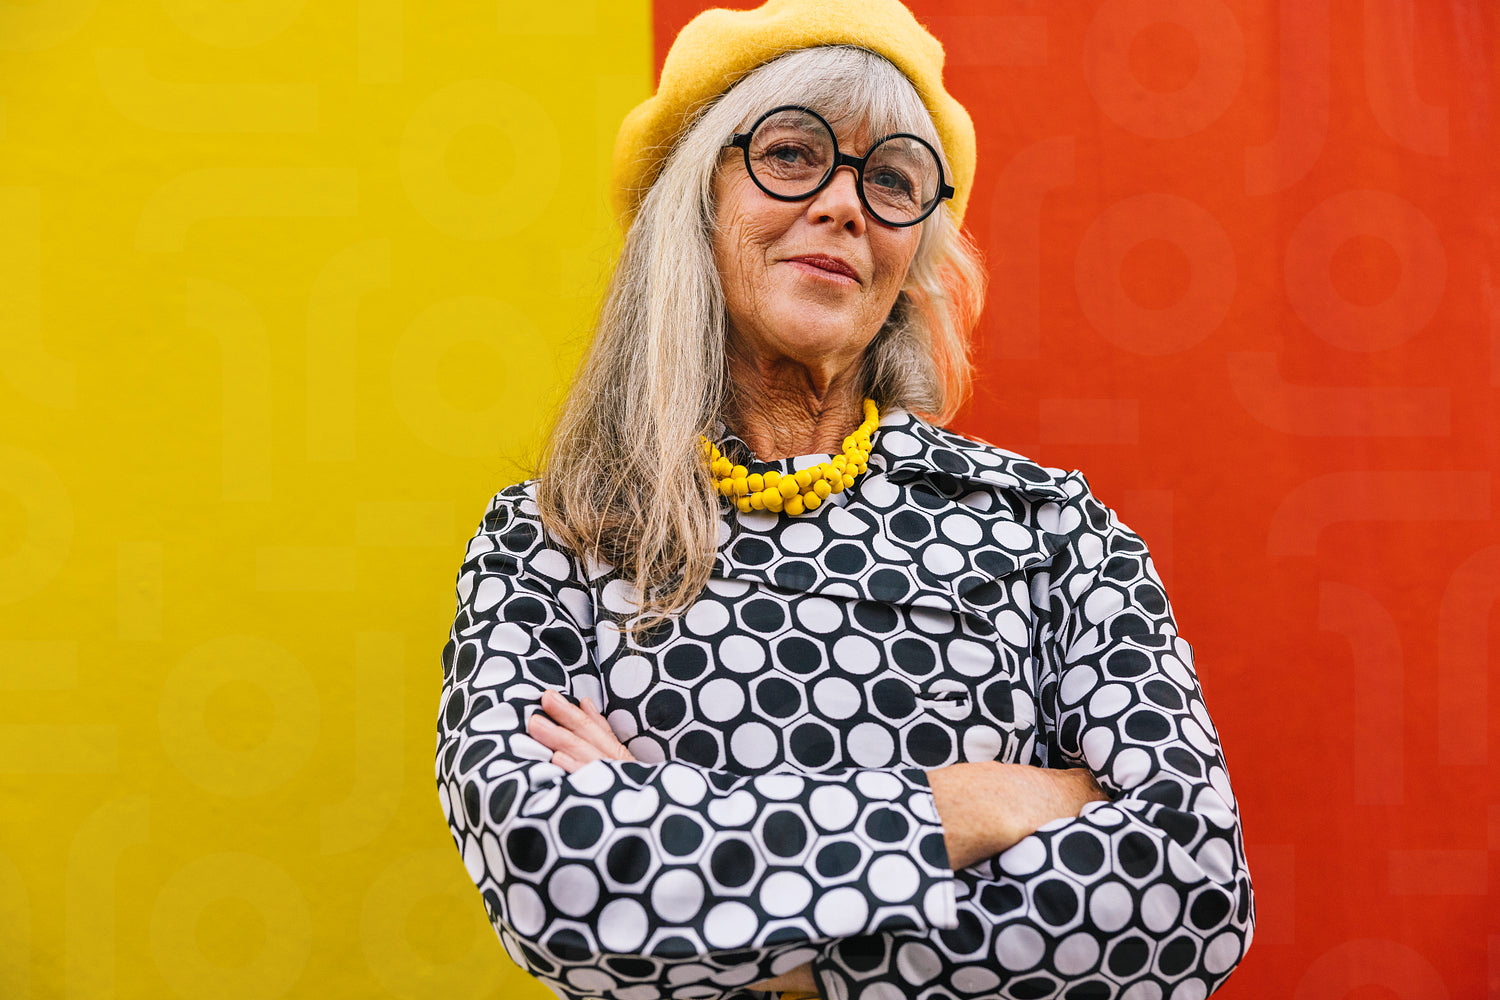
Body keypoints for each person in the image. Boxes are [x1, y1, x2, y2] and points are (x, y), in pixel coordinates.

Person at [435, 1, 1254, 997]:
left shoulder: (1051, 534)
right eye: (791, 154)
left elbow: (1193, 891)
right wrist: (971, 804)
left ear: (915, 255)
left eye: (892, 180)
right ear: (696, 203)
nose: (844, 205)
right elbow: (557, 882)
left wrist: (706, 888)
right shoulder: (549, 539)